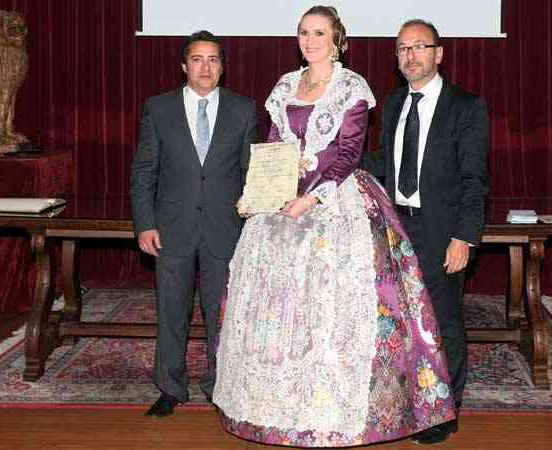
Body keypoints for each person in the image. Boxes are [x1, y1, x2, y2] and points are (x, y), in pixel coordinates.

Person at [213, 6, 454, 447]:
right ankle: (273, 408)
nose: (310, 41)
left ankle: (336, 410)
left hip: (338, 202)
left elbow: (348, 154)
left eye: (319, 33)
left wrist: (312, 198)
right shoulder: (285, 85)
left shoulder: (351, 87)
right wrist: (262, 193)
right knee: (278, 308)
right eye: (304, 33)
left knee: (336, 306)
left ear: (337, 39)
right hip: (284, 204)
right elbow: (274, 146)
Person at [363, 19, 489, 444]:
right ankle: (413, 403)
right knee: (403, 320)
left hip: (441, 230)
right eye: (402, 48)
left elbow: (474, 180)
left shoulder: (466, 106)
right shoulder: (394, 103)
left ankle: (445, 412)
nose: (410, 55)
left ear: (439, 53)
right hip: (396, 227)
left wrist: (463, 237)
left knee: (443, 321)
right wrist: (337, 163)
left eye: (419, 46)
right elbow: (384, 162)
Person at [130, 30, 258, 417]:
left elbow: (251, 172)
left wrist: (257, 217)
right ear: (184, 66)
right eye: (198, 59)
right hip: (171, 228)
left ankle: (221, 388)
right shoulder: (158, 108)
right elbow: (144, 172)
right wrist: (144, 223)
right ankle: (170, 388)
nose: (206, 67)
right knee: (172, 312)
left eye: (213, 59)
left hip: (226, 228)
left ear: (223, 67)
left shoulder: (243, 109)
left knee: (222, 315)